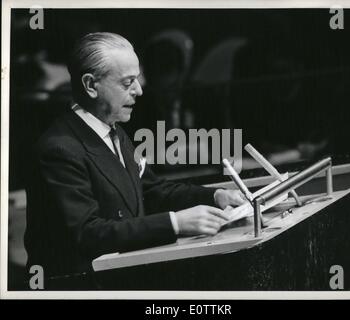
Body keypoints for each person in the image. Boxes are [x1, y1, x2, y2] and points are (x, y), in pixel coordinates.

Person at [25, 32, 246, 278]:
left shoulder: (114, 131)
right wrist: (175, 223)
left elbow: (152, 190)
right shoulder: (58, 149)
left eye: (138, 79)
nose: (139, 91)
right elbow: (88, 233)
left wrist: (215, 196)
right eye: (127, 82)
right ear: (90, 85)